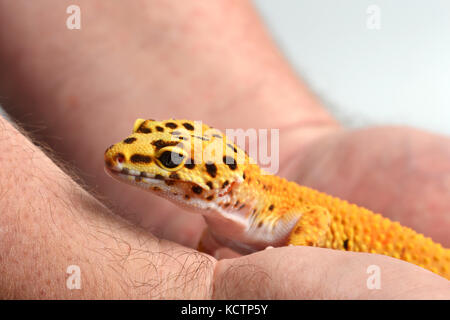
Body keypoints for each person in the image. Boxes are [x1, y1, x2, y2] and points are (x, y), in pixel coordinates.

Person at [0, 0, 448, 299]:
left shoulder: (276, 209)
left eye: (170, 160)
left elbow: (317, 219)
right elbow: (211, 248)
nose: (127, 156)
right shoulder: (222, 216)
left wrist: (296, 256)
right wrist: (197, 287)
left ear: (225, 181)